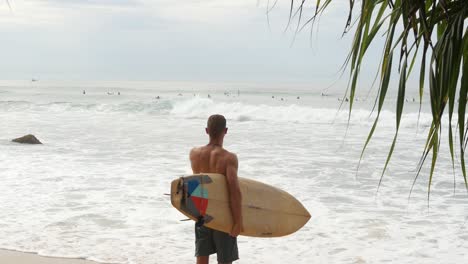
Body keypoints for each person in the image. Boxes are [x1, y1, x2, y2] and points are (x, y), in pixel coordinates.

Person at [189, 114, 243, 264]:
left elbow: (195, 184)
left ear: (207, 130)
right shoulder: (229, 158)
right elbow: (234, 191)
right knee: (225, 260)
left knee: (201, 257)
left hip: (201, 211)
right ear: (225, 131)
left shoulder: (194, 154)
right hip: (222, 214)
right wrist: (238, 221)